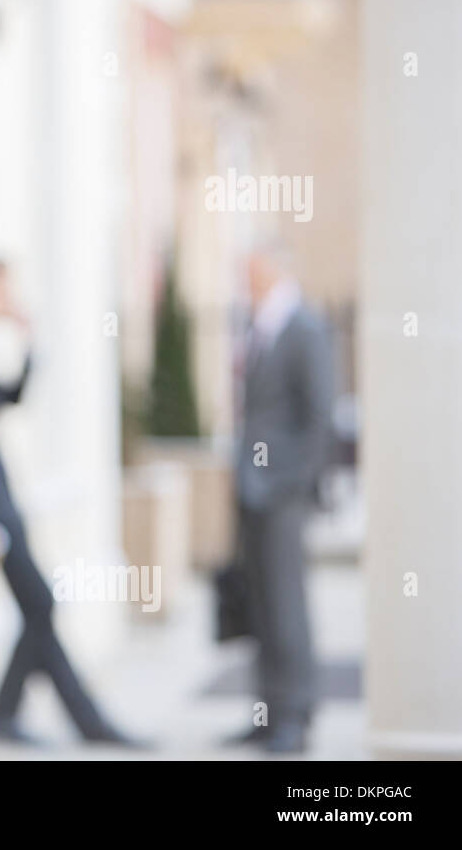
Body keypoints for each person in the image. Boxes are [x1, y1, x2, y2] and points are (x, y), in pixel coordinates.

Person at [0, 260, 142, 748]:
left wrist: (28, 344)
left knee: (38, 606)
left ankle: (25, 716)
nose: (10, 296)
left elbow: (4, 401)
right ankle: (81, 722)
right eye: (3, 288)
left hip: (0, 493)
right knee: (40, 603)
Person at [225, 237, 333, 754]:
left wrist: (288, 484)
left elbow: (318, 421)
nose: (244, 281)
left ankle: (296, 713)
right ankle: (268, 711)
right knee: (262, 606)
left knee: (288, 604)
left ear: (273, 270)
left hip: (282, 493)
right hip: (252, 488)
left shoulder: (304, 328)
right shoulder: (259, 325)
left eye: (251, 271)